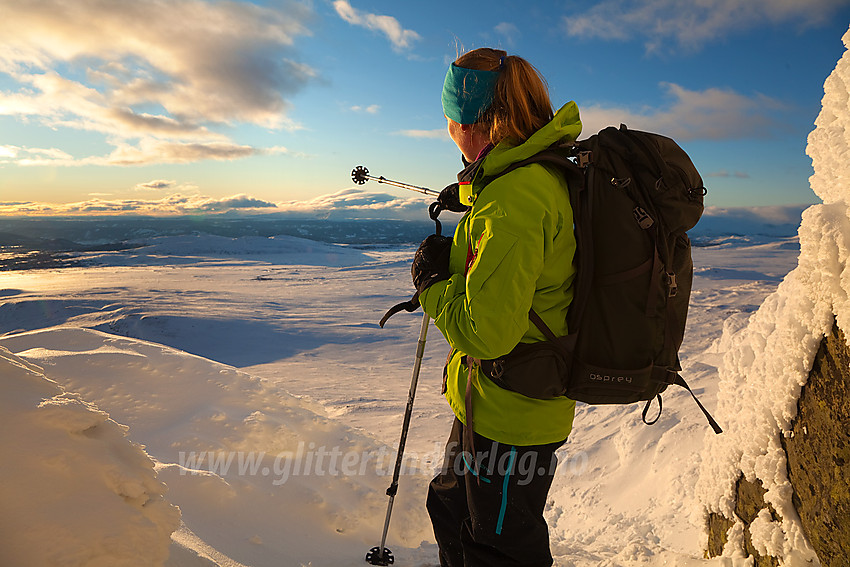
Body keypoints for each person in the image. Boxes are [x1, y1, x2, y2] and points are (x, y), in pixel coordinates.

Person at [411, 47, 582, 566]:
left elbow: (487, 334)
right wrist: (472, 198)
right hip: (488, 401)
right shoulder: (523, 178)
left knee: (500, 550)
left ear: (478, 121)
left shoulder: (515, 197)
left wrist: (433, 285)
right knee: (450, 510)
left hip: (513, 417)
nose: (446, 127)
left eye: (450, 116)